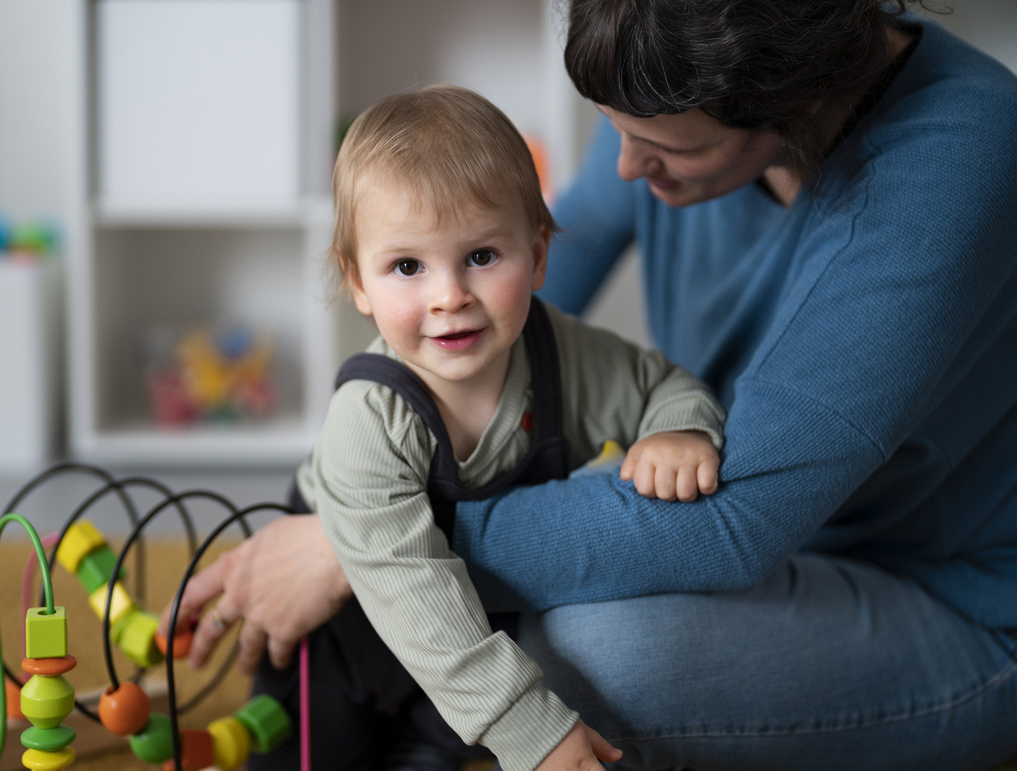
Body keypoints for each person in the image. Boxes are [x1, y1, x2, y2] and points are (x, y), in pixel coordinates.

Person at [168, 2, 1017, 769]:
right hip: (770, 544)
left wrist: (362, 543)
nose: (623, 168)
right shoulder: (673, 105)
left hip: (951, 600)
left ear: (791, 102)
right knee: (531, 604)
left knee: (586, 645)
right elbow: (522, 289)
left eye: (664, 146)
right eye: (615, 129)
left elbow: (735, 525)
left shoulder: (961, 159)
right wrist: (376, 474)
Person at [170, 84, 725, 771]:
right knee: (313, 747)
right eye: (407, 266)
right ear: (360, 284)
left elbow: (663, 387)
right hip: (344, 629)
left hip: (479, 625)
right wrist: (531, 728)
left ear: (539, 254)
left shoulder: (563, 356)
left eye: (482, 256)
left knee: (436, 746)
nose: (449, 296)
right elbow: (414, 592)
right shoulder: (369, 418)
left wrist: (679, 430)